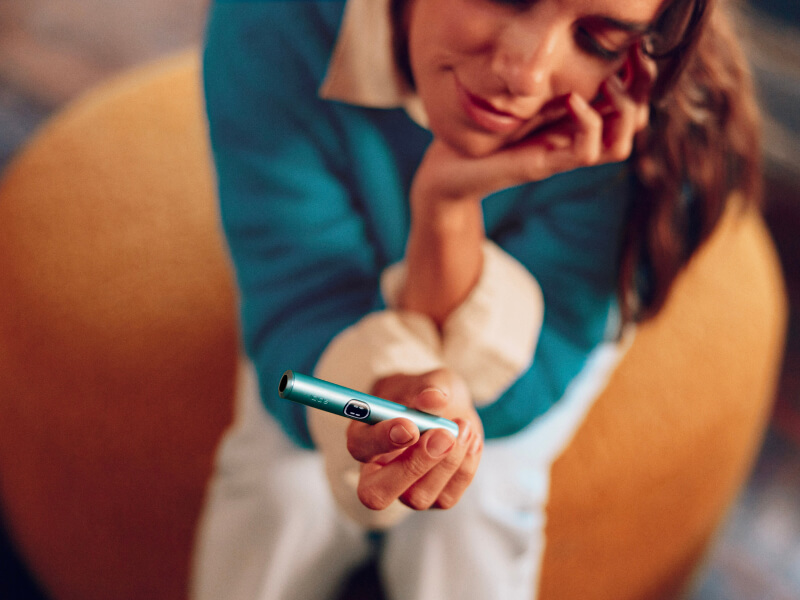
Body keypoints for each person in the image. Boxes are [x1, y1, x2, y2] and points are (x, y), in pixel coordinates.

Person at [192, 0, 761, 599]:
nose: (526, 74)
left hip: (523, 330)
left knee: (480, 503)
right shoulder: (273, 21)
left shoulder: (651, 120)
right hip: (341, 292)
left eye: (596, 40)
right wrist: (376, 394)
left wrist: (448, 207)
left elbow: (544, 358)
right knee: (276, 490)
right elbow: (298, 306)